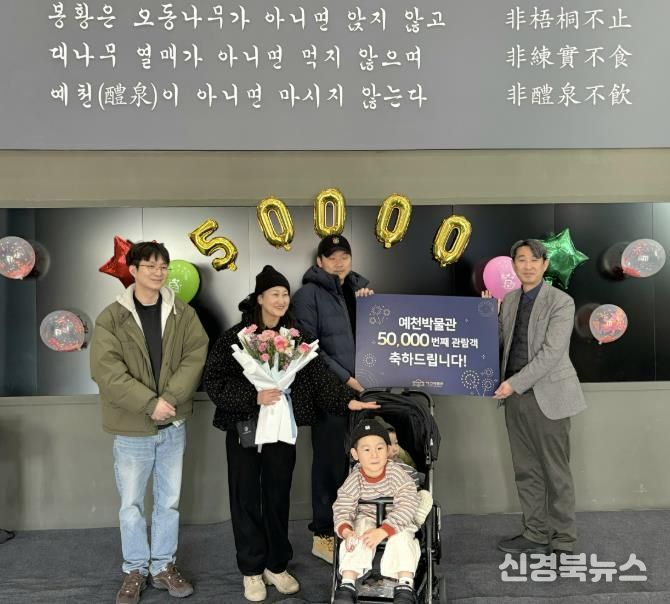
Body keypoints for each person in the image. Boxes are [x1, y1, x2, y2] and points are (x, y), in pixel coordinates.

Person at [203, 265, 380, 603]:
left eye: (285, 294)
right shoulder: (235, 337)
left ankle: (276, 564)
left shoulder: (295, 338)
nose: (282, 300)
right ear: (260, 298)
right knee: (245, 496)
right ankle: (251, 569)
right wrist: (253, 396)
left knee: (277, 495)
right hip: (245, 429)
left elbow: (318, 377)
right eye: (275, 294)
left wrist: (348, 401)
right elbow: (214, 381)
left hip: (283, 428)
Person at [90, 241, 208, 604]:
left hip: (172, 424)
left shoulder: (183, 313)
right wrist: (148, 404)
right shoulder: (112, 317)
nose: (158, 273)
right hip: (131, 429)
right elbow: (106, 371)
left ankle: (163, 566)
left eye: (163, 267)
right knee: (131, 505)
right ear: (134, 270)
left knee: (168, 502)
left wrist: (168, 400)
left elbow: (195, 355)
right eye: (151, 266)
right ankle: (135, 569)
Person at [488, 238, 586, 556]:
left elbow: (552, 354)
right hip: (514, 399)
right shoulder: (509, 300)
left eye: (534, 260)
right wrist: (485, 315)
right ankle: (535, 532)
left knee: (556, 472)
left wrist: (514, 383)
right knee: (525, 470)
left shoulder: (561, 302)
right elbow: (500, 343)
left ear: (545, 265)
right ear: (513, 265)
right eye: (521, 259)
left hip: (549, 397)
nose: (528, 265)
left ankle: (564, 540)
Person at [292, 234, 374, 563]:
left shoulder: (361, 291)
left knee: (364, 461)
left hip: (366, 390)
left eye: (344, 256)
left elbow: (379, 337)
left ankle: (354, 530)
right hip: (330, 391)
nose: (339, 263)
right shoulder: (307, 296)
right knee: (329, 464)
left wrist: (369, 306)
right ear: (320, 262)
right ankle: (324, 534)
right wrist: (346, 379)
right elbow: (309, 347)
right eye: (332, 257)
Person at [332, 419, 420, 604]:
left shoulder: (396, 473)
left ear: (388, 450)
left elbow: (407, 503)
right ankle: (348, 581)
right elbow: (343, 505)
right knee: (356, 534)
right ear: (355, 454)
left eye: (379, 448)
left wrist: (384, 530)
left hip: (397, 519)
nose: (374, 455)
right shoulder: (355, 478)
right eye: (366, 450)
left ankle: (405, 583)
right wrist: (346, 530)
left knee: (403, 537)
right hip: (367, 516)